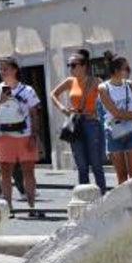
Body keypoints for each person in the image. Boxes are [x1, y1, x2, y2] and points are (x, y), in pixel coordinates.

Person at [0, 57, 43, 218]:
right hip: (2, 135)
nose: (2, 71)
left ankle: (32, 206)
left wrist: (34, 135)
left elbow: (34, 114)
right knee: (5, 172)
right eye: (0, 69)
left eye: (5, 68)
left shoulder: (27, 90)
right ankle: (8, 208)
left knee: (28, 170)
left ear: (14, 70)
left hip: (24, 134)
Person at [50, 49, 107, 194]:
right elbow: (53, 94)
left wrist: (96, 113)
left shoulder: (96, 82)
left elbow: (107, 103)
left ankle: (103, 197)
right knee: (81, 165)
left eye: (73, 65)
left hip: (92, 124)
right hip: (75, 124)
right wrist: (63, 108)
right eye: (69, 65)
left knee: (96, 165)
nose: (70, 68)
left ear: (83, 66)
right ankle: (84, 198)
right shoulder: (70, 82)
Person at [97, 53, 132, 185]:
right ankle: (126, 204)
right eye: (126, 68)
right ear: (116, 71)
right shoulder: (104, 88)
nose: (129, 71)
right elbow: (116, 113)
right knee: (121, 176)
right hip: (113, 132)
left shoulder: (130, 85)